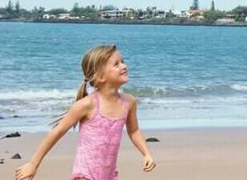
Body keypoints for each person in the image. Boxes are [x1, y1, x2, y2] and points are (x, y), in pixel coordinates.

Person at [15, 44, 156, 180]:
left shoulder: (128, 102)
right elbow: (57, 132)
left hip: (109, 175)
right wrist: (33, 164)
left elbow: (134, 131)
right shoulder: (87, 105)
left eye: (123, 61)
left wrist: (147, 153)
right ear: (100, 76)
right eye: (116, 64)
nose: (124, 66)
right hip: (85, 174)